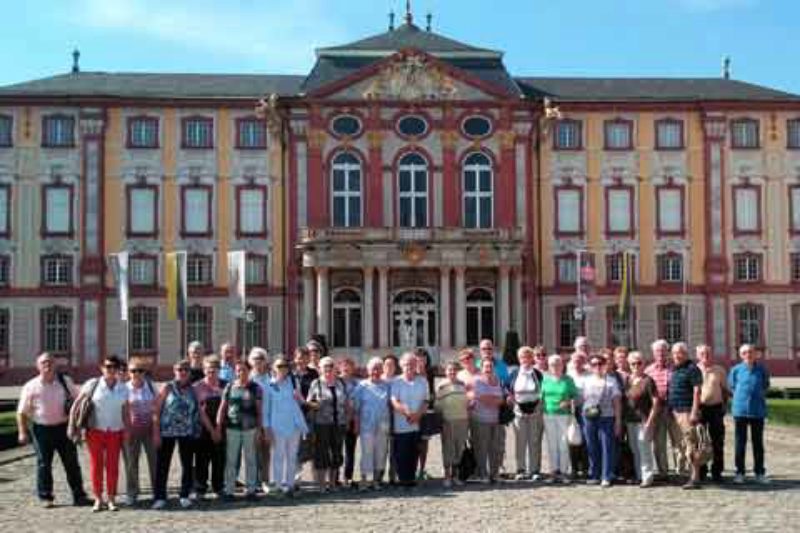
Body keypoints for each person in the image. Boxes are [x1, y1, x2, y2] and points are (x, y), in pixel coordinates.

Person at [16, 353, 89, 508]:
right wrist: (22, 432)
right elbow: (21, 412)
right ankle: (46, 496)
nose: (47, 365)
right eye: (44, 363)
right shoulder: (31, 386)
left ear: (55, 365)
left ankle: (79, 495)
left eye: (50, 362)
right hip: (41, 430)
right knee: (44, 464)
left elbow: (79, 401)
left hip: (64, 428)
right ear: (38, 366)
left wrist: (78, 425)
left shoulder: (65, 381)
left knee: (71, 463)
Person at [72, 355, 130, 512]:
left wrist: (127, 430)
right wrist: (73, 427)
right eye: (107, 366)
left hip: (115, 431)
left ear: (118, 369)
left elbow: (125, 411)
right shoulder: (92, 384)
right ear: (102, 368)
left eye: (114, 367)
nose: (110, 370)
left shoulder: (123, 387)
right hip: (95, 431)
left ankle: (111, 499)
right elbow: (77, 405)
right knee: (96, 465)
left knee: (113, 467)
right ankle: (98, 498)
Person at [152, 360, 200, 510]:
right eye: (180, 369)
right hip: (167, 432)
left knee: (187, 464)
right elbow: (156, 410)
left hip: (187, 432)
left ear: (190, 372)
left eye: (186, 369)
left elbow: (198, 411)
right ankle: (160, 497)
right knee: (162, 465)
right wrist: (156, 432)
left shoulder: (193, 390)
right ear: (174, 370)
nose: (183, 372)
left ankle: (184, 495)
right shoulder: (167, 387)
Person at [217, 359, 263, 500]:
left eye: (243, 370)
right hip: (232, 428)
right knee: (231, 460)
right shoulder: (230, 387)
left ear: (249, 371)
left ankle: (251, 490)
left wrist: (260, 429)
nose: (240, 373)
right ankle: (229, 490)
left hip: (250, 429)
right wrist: (218, 425)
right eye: (238, 370)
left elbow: (259, 410)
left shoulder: (255, 388)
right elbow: (223, 408)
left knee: (251, 459)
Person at [265, 356, 308, 495]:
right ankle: (278, 485)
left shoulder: (293, 382)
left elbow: (299, 401)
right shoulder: (269, 385)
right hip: (277, 426)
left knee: (292, 457)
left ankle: (289, 485)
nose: (282, 369)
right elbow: (266, 410)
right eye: (279, 366)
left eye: (285, 366)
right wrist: (267, 428)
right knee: (278, 457)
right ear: (273, 368)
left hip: (293, 425)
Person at [728, 344, 771, 485]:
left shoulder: (762, 370)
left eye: (751, 352)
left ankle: (759, 473)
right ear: (741, 355)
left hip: (757, 411)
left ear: (755, 354)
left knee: (758, 443)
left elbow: (765, 386)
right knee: (740, 443)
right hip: (740, 411)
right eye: (745, 352)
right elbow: (732, 386)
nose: (748, 355)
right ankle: (740, 472)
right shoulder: (736, 370)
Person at [306, 356, 349, 492]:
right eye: (325, 367)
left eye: (331, 366)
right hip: (321, 424)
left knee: (336, 453)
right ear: (320, 369)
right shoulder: (316, 383)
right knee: (321, 453)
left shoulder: (341, 382)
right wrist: (315, 404)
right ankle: (321, 484)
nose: (328, 370)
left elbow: (346, 402)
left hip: (338, 423)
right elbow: (308, 402)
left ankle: (332, 483)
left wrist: (347, 419)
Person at [581, 353, 622, 488]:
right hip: (589, 416)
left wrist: (618, 421)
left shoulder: (611, 381)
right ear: (590, 367)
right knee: (591, 446)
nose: (597, 367)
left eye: (600, 364)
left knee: (607, 446)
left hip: (607, 417)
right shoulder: (586, 380)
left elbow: (617, 402)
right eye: (594, 364)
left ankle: (606, 475)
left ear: (605, 365)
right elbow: (581, 399)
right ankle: (595, 474)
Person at [667, 342, 703, 489]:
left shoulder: (692, 369)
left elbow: (697, 391)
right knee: (680, 446)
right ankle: (685, 475)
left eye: (680, 352)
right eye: (675, 352)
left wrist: (694, 411)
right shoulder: (675, 369)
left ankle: (695, 478)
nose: (677, 355)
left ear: (686, 354)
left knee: (691, 445)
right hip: (675, 412)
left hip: (687, 412)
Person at [390, 353, 429, 488]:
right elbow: (394, 401)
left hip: (417, 423)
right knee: (402, 452)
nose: (409, 367)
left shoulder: (422, 381)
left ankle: (411, 478)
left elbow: (425, 401)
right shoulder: (396, 381)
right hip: (401, 424)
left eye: (412, 364)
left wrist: (417, 415)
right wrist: (408, 414)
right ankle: (403, 479)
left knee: (414, 452)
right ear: (401, 366)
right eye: (406, 364)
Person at [122, 357, 158, 506]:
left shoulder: (151, 387)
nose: (136, 373)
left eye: (140, 370)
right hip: (131, 431)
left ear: (145, 372)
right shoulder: (123, 388)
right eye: (133, 370)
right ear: (128, 372)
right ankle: (132, 492)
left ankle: (158, 492)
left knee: (155, 462)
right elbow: (122, 411)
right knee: (131, 462)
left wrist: (156, 430)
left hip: (149, 429)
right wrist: (126, 430)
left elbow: (156, 409)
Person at [507, 346, 545, 481]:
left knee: (534, 441)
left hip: (535, 411)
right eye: (522, 357)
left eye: (528, 356)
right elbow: (507, 389)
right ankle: (521, 469)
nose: (525, 359)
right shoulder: (514, 373)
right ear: (519, 359)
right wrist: (510, 399)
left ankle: (535, 469)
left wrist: (538, 407)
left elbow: (543, 391)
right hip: (519, 412)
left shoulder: (538, 373)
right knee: (520, 441)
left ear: (531, 358)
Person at [352, 357, 391, 490]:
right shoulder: (361, 386)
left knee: (380, 452)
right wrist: (356, 424)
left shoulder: (386, 385)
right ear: (368, 370)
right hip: (366, 424)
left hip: (383, 424)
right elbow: (356, 407)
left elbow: (390, 405)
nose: (376, 371)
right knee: (366, 452)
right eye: (373, 368)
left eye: (378, 368)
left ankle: (376, 480)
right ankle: (364, 479)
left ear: (382, 370)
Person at [645, 339, 681, 478]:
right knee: (659, 444)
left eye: (663, 350)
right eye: (657, 351)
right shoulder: (648, 371)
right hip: (657, 411)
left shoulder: (676, 368)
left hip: (674, 410)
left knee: (678, 442)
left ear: (668, 352)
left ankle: (680, 470)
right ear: (653, 353)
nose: (660, 353)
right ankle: (663, 472)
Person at [540, 354, 579, 483]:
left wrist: (568, 402)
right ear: (549, 367)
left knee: (563, 443)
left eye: (558, 364)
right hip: (548, 414)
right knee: (551, 444)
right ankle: (554, 471)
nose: (555, 366)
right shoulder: (545, 379)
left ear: (563, 365)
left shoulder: (568, 380)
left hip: (564, 415)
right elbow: (541, 397)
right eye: (552, 364)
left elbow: (575, 396)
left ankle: (563, 471)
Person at [192, 355, 226, 499]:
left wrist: (218, 428)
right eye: (208, 370)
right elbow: (199, 411)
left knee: (219, 458)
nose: (211, 373)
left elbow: (226, 408)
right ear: (204, 370)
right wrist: (211, 430)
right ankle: (200, 488)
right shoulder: (197, 387)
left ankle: (218, 487)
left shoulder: (226, 385)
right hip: (203, 427)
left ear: (219, 370)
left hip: (221, 425)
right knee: (202, 459)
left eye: (214, 370)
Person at [625, 351, 659, 487]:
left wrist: (650, 421)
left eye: (639, 363)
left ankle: (648, 476)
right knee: (634, 449)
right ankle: (639, 475)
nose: (636, 366)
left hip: (643, 420)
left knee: (644, 448)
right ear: (629, 365)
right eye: (633, 363)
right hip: (630, 420)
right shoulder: (627, 380)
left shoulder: (648, 380)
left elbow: (656, 402)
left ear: (643, 364)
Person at [696, 344, 729, 483]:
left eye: (708, 353)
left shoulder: (719, 370)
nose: (705, 356)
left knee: (717, 441)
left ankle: (717, 471)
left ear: (712, 354)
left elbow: (725, 390)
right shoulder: (694, 370)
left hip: (716, 408)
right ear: (697, 355)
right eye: (702, 353)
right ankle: (702, 470)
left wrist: (724, 406)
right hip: (699, 409)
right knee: (700, 441)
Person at [470, 357, 505, 484]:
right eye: (486, 366)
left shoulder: (497, 380)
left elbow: (501, 400)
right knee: (481, 448)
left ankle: (494, 473)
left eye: (490, 366)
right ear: (482, 368)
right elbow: (482, 398)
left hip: (494, 420)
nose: (488, 369)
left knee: (495, 448)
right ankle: (482, 473)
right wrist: (493, 399)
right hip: (480, 419)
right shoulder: (477, 381)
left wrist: (492, 399)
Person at [435, 360, 469, 488]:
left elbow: (466, 401)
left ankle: (455, 475)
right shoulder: (441, 386)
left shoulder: (462, 384)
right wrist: (442, 421)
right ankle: (447, 476)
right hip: (448, 421)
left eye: (454, 370)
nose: (452, 372)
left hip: (462, 420)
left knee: (458, 448)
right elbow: (438, 406)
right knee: (448, 449)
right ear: (446, 372)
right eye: (449, 370)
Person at [292, 346, 319, 479]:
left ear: (308, 359)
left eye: (304, 357)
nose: (301, 360)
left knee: (312, 442)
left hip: (310, 413)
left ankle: (315, 474)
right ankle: (297, 473)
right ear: (295, 359)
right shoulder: (291, 375)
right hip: (294, 414)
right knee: (295, 442)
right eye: (299, 358)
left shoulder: (314, 374)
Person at [249, 347, 272, 492]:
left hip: (269, 420)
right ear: (251, 361)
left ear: (265, 361)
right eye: (256, 359)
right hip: (253, 421)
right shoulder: (249, 379)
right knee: (253, 453)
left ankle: (265, 480)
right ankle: (254, 481)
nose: (258, 361)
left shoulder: (271, 378)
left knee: (266, 453)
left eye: (261, 358)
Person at [567, 336, 591, 478]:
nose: (583, 349)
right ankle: (574, 467)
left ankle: (586, 466)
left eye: (585, 346)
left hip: (586, 409)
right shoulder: (568, 369)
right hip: (571, 409)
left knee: (586, 437)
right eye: (581, 346)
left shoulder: (591, 369)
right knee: (572, 438)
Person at [414, 348, 436, 482]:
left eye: (423, 359)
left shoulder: (430, 374)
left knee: (424, 442)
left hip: (427, 412)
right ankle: (413, 467)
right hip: (414, 412)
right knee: (414, 442)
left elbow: (432, 392)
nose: (421, 361)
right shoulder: (411, 373)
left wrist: (432, 398)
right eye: (418, 359)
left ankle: (422, 469)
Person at [339, 357, 360, 488]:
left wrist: (356, 420)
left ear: (353, 368)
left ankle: (348, 477)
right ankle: (334, 477)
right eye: (344, 366)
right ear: (339, 367)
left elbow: (358, 404)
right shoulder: (336, 381)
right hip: (338, 420)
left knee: (350, 450)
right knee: (336, 450)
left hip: (352, 420)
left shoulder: (357, 384)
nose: (346, 368)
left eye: (349, 366)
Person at [382, 354, 400, 485]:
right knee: (382, 447)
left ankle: (393, 475)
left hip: (395, 418)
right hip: (381, 418)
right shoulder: (378, 379)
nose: (389, 367)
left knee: (394, 448)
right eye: (387, 364)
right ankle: (379, 474)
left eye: (392, 365)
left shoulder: (399, 381)